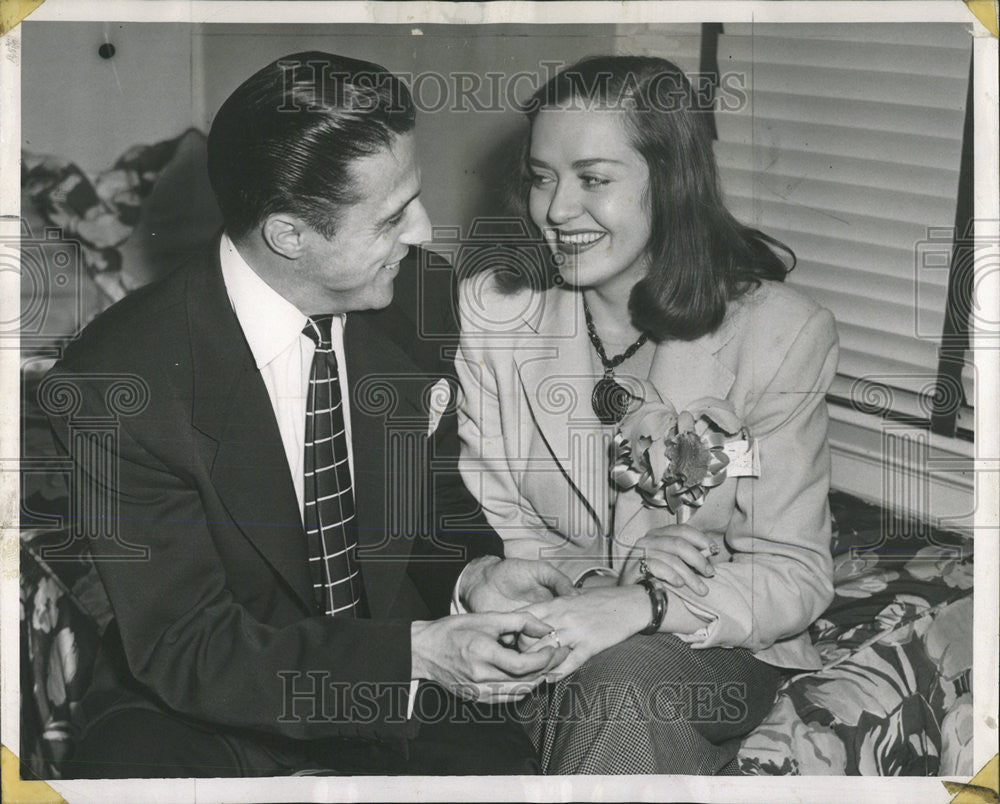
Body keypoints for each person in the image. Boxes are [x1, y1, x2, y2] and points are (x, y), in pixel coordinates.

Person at [42, 51, 577, 778]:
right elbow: (187, 645)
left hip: (404, 699)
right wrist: (412, 654)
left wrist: (473, 575)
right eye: (391, 217)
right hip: (207, 707)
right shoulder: (119, 383)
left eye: (412, 199)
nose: (422, 231)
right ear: (290, 235)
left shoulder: (418, 297)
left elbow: (433, 503)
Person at [455, 55, 839, 774]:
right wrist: (609, 584)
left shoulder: (780, 332)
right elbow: (498, 520)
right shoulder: (496, 315)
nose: (556, 210)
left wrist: (650, 607)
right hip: (552, 619)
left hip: (713, 648)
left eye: (593, 180)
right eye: (542, 178)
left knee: (622, 685)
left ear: (671, 183)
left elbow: (791, 572)